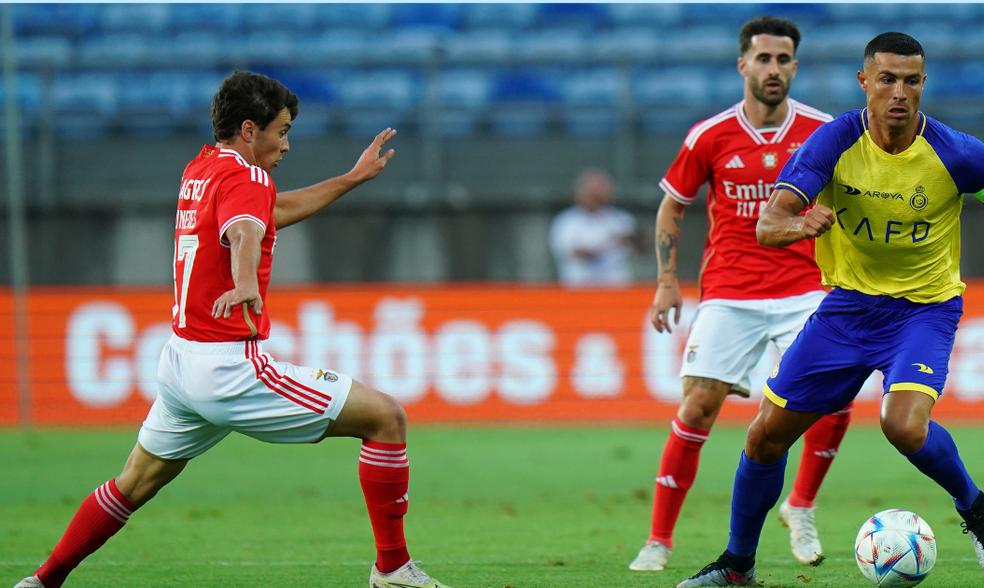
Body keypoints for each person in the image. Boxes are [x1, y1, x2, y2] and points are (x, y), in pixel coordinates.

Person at [676, 32, 984, 588]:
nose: (898, 92)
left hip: (923, 311)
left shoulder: (957, 152)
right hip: (847, 310)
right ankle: (737, 566)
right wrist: (799, 223)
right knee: (764, 436)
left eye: (910, 81)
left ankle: (974, 507)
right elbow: (769, 223)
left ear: (922, 84)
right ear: (865, 83)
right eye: (886, 79)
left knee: (901, 424)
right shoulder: (832, 143)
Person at [14, 72, 449, 588]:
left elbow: (270, 212)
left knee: (133, 483)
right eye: (281, 131)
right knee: (387, 418)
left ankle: (41, 581)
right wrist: (246, 281)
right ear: (249, 129)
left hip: (180, 363)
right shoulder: (248, 178)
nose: (285, 145)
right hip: (228, 367)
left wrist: (351, 178)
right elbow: (245, 229)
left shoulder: (201, 169)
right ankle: (393, 568)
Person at [630, 16, 852, 573]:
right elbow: (672, 205)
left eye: (782, 60)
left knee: (837, 395)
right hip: (731, 290)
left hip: (805, 287)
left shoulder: (824, 130)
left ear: (795, 67)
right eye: (763, 59)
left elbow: (857, 197)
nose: (772, 69)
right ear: (743, 65)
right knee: (698, 405)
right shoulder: (709, 135)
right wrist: (664, 281)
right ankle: (659, 539)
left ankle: (800, 505)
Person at [549, 168, 640, 287]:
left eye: (601, 190)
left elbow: (641, 250)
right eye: (592, 190)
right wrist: (609, 243)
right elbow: (573, 253)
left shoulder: (622, 219)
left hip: (617, 289)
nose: (596, 195)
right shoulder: (567, 221)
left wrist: (633, 240)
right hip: (580, 289)